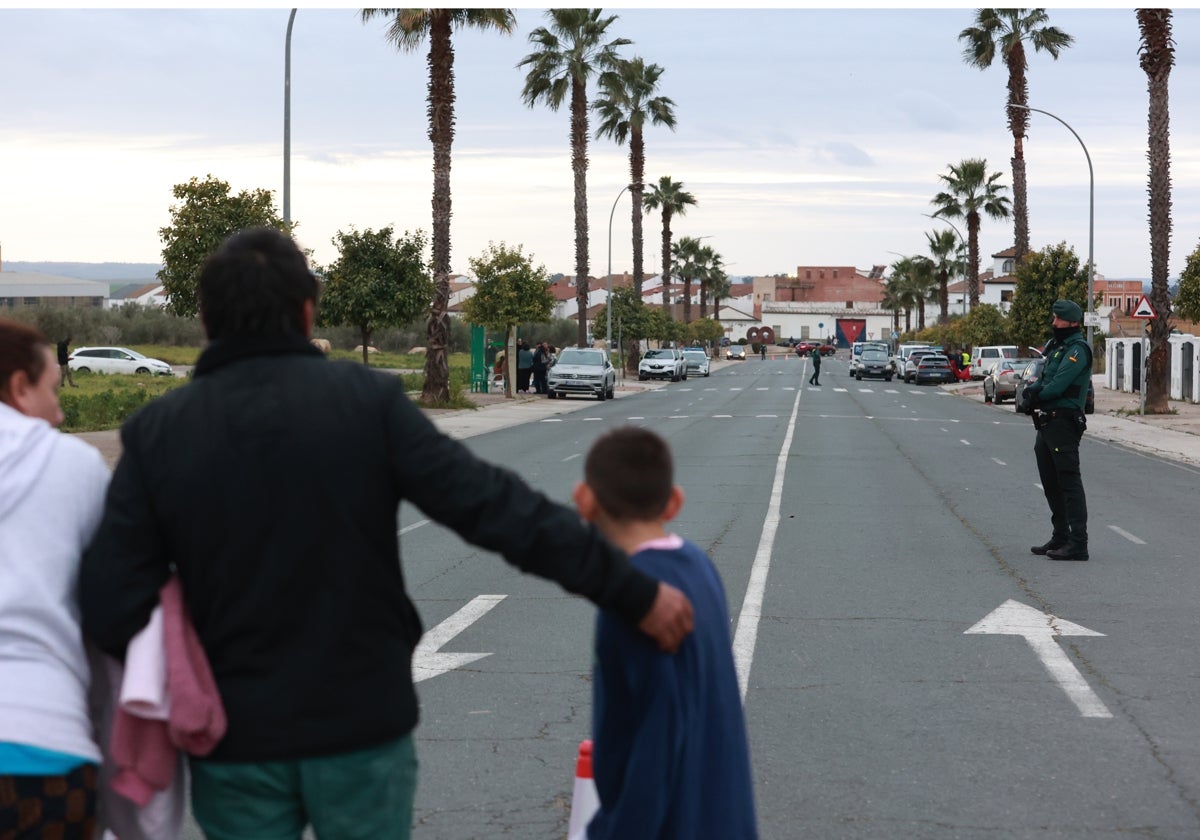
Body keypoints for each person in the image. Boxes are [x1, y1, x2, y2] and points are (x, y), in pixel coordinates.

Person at [78, 228, 693, 840]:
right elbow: (496, 509)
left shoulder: (159, 432)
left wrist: (180, 650)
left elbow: (110, 601)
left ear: (206, 319)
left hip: (235, 738)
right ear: (307, 308)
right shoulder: (364, 402)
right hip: (362, 724)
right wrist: (630, 590)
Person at [573, 427, 757, 840]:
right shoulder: (699, 567)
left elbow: (656, 744)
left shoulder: (638, 600)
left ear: (584, 501)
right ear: (674, 502)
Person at [0, 318, 111, 838]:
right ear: (20, 388)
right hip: (42, 745)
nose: (62, 411)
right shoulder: (73, 465)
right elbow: (113, 603)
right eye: (52, 389)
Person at [1025, 299, 1092, 562]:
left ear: (1072, 322)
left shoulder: (1078, 349)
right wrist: (1034, 389)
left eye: (1058, 319)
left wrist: (1035, 395)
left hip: (1064, 421)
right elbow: (1045, 377)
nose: (1054, 323)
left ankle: (1078, 543)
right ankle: (1061, 535)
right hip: (1047, 423)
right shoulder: (1056, 347)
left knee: (1068, 481)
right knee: (1051, 483)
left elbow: (1059, 384)